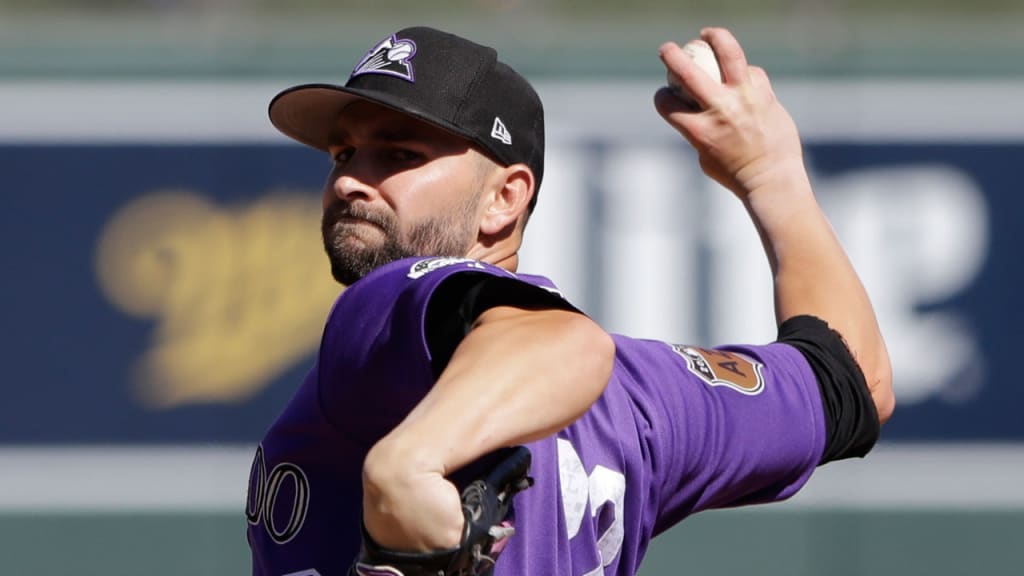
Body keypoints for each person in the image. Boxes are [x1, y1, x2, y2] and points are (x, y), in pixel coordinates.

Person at [246, 25, 895, 576]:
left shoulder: (385, 310)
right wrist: (771, 175)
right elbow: (853, 381)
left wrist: (409, 462)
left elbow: (564, 344)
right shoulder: (642, 398)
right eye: (344, 152)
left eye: (397, 153)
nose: (352, 179)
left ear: (505, 198)